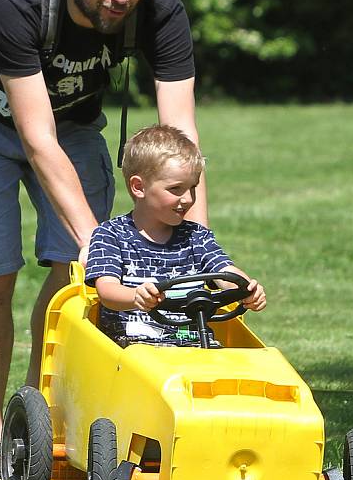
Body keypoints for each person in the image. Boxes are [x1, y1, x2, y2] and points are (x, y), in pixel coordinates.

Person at [0, 0, 206, 480]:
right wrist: (106, 245)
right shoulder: (16, 0)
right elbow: (35, 136)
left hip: (72, 118)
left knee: (74, 268)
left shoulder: (160, 8)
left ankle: (34, 420)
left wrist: (194, 248)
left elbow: (181, 139)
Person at [85, 125, 266, 347]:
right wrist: (135, 296)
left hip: (193, 343)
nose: (188, 199)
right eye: (176, 189)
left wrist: (247, 290)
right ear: (138, 187)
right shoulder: (110, 235)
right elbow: (107, 291)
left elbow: (225, 272)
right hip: (133, 349)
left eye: (192, 188)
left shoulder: (195, 236)